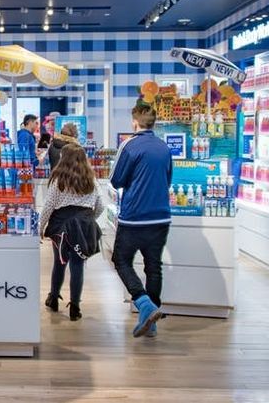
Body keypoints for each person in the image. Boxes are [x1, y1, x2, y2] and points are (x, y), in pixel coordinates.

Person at [109, 103, 172, 338]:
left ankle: (144, 304)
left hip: (134, 217)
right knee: (153, 267)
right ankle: (150, 323)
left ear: (134, 122)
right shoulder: (164, 148)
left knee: (121, 260)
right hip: (161, 216)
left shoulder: (129, 145)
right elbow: (168, 179)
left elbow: (116, 179)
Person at [39, 143, 104, 321]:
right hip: (83, 226)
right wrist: (89, 220)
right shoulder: (91, 180)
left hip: (60, 226)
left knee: (59, 263)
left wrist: (40, 227)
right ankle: (75, 307)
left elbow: (48, 206)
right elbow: (100, 206)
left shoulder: (58, 180)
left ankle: (53, 298)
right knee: (78, 265)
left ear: (64, 159)